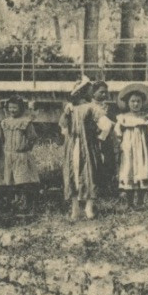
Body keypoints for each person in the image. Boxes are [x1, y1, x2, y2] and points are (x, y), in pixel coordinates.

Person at [59, 78, 113, 221]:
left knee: (86, 173)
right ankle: (77, 209)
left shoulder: (90, 108)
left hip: (82, 145)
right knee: (77, 174)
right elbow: (63, 129)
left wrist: (99, 138)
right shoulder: (71, 109)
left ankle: (87, 208)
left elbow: (106, 125)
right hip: (77, 146)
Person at [114, 83, 148, 207]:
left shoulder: (145, 118)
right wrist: (118, 143)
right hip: (128, 148)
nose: (135, 104)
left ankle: (141, 201)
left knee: (141, 169)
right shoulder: (123, 118)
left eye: (138, 101)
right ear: (128, 103)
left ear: (142, 103)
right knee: (128, 169)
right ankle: (130, 203)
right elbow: (117, 132)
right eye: (132, 101)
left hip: (141, 148)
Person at [0, 95, 40, 214]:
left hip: (21, 155)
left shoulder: (25, 122)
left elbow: (32, 137)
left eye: (15, 107)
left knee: (22, 181)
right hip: (8, 155)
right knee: (10, 181)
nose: (12, 110)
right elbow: (3, 138)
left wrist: (26, 147)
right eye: (10, 107)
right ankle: (14, 203)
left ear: (21, 108)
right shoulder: (5, 122)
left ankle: (26, 204)